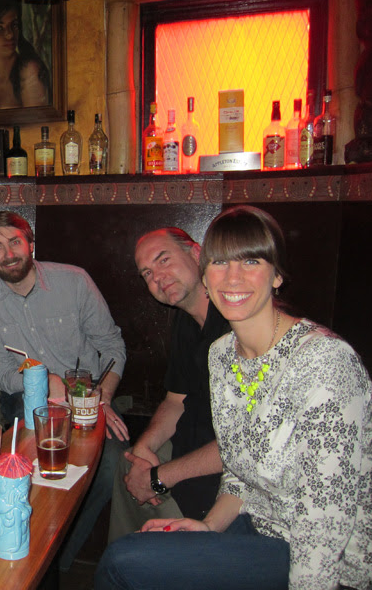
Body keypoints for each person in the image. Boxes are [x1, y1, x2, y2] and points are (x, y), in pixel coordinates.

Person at [97, 206, 372, 590]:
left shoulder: (324, 362)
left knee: (122, 563)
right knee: (137, 551)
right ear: (206, 274)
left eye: (251, 261)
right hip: (253, 523)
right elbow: (240, 469)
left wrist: (163, 479)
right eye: (220, 263)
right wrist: (209, 527)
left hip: (319, 556)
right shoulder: (223, 354)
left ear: (277, 275)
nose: (232, 277)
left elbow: (325, 524)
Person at [0, 210, 127, 571]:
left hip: (87, 395)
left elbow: (112, 346)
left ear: (30, 243)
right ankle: (30, 545)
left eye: (15, 242)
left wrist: (99, 397)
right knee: (31, 469)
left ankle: (56, 562)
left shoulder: (75, 281)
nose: (8, 253)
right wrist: (42, 379)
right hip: (25, 398)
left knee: (110, 465)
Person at [106, 228, 229, 543]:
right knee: (128, 463)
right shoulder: (186, 322)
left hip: (226, 473)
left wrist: (159, 478)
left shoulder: (237, 322)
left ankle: (153, 555)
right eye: (147, 273)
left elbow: (244, 446)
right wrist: (144, 449)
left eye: (164, 260)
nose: (157, 277)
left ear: (197, 253)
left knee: (146, 483)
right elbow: (175, 401)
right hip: (190, 442)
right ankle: (128, 558)